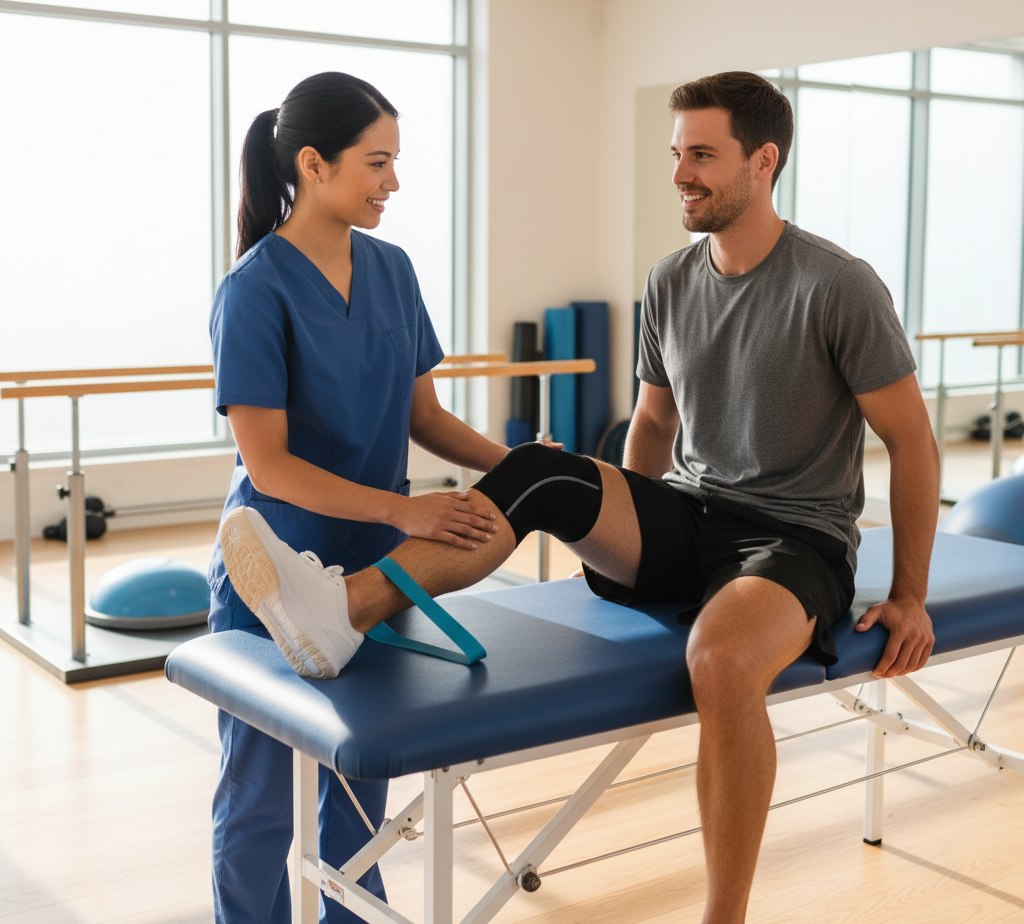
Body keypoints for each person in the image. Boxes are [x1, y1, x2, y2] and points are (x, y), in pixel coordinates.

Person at [218, 71, 940, 924]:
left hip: (788, 539)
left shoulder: (838, 284)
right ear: (311, 164)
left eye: (701, 155)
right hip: (654, 517)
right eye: (676, 155)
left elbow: (913, 442)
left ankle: (723, 917)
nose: (680, 174)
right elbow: (652, 428)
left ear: (764, 160)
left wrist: (910, 597)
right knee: (537, 471)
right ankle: (338, 612)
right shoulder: (671, 280)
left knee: (716, 660)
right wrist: (605, 512)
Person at [208, 71, 510, 924]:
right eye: (377, 163)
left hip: (376, 572)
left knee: (358, 786)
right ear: (312, 163)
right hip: (273, 569)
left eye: (396, 162)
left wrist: (515, 463)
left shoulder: (392, 269)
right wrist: (404, 512)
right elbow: (268, 467)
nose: (393, 183)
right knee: (264, 794)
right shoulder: (255, 289)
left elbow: (426, 416)